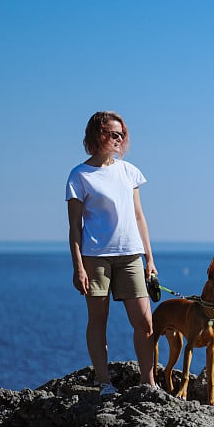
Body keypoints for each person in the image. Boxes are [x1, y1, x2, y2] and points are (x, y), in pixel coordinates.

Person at [66, 111, 158, 396]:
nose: (119, 139)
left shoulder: (129, 171)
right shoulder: (79, 176)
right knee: (98, 320)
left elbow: (140, 217)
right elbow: (74, 227)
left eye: (122, 135)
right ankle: (104, 382)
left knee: (144, 323)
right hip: (95, 258)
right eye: (113, 134)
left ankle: (149, 383)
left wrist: (150, 259)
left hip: (131, 255)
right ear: (97, 135)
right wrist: (78, 267)